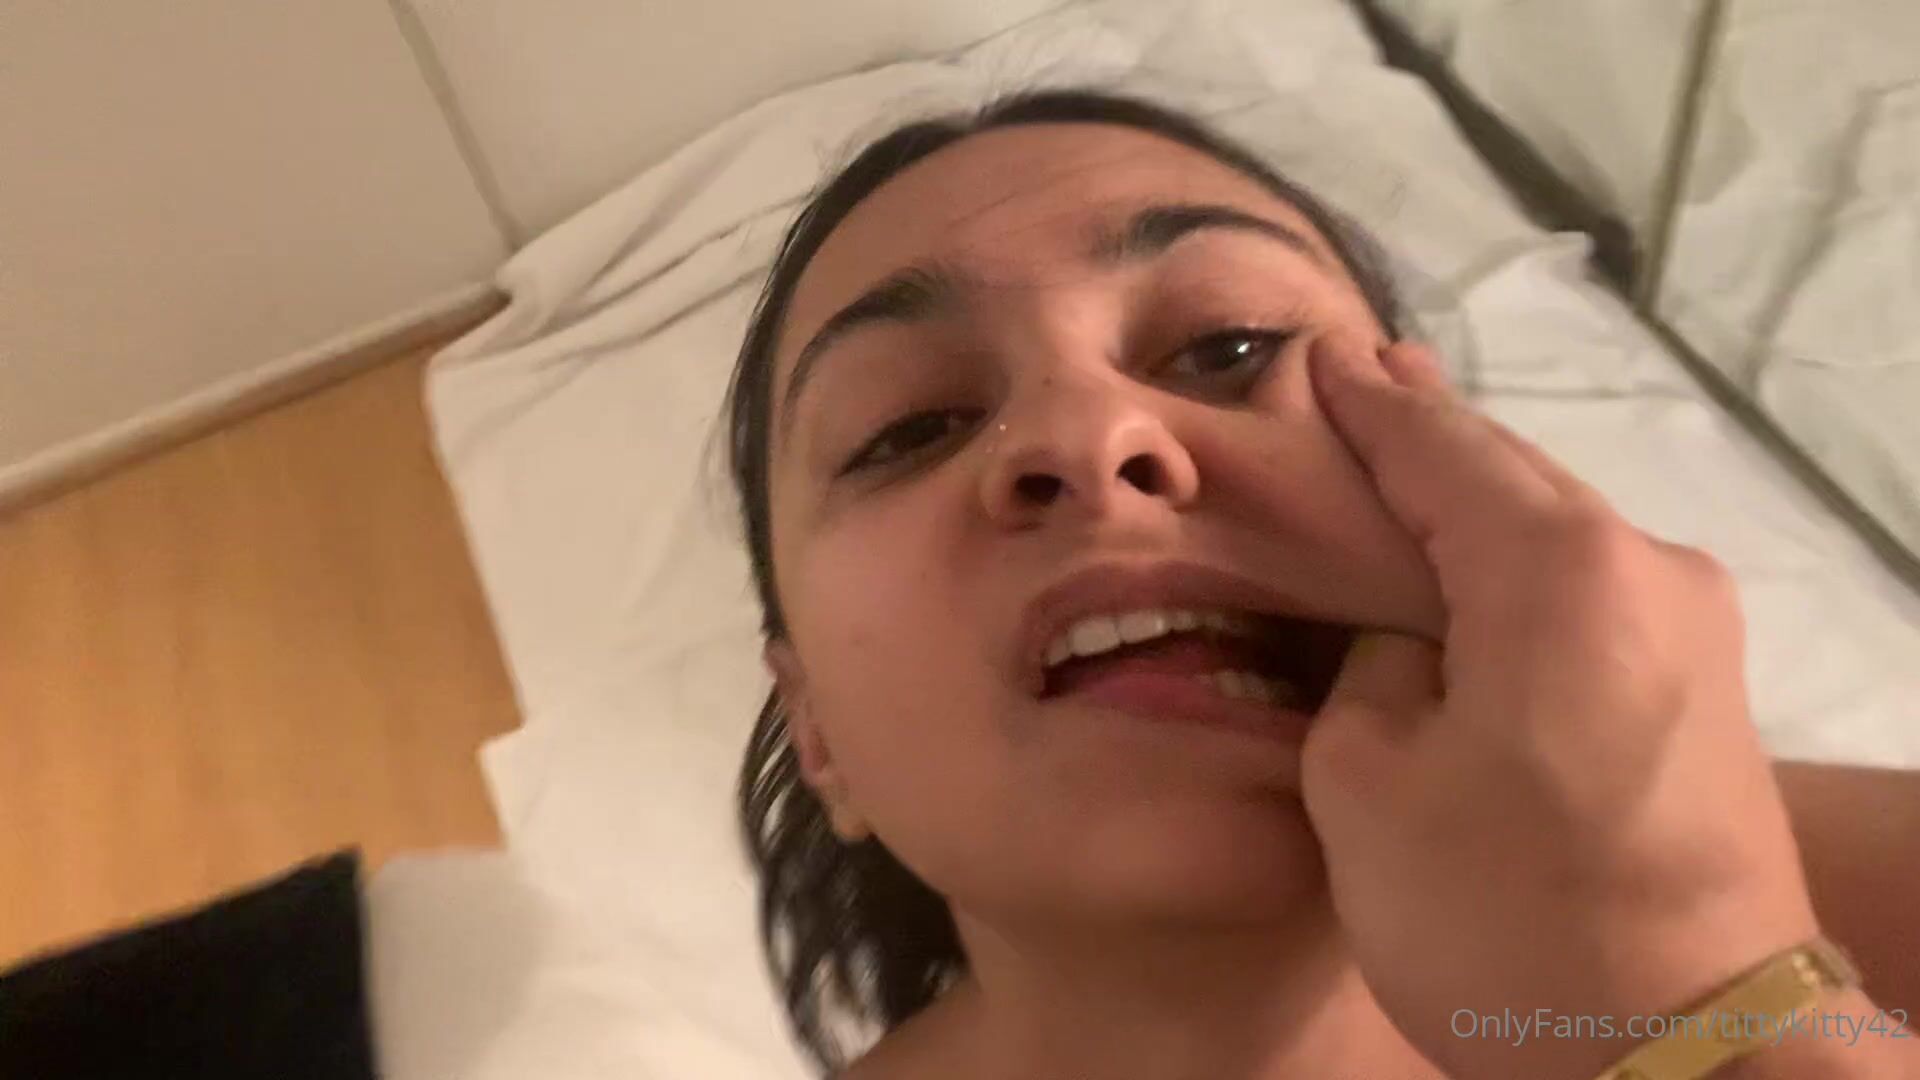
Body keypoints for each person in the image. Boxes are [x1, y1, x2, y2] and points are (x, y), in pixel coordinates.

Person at [723, 89, 1920, 1079]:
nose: (1087, 433)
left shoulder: (1856, 886)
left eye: (1229, 345)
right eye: (911, 427)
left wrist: (1701, 973)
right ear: (817, 730)